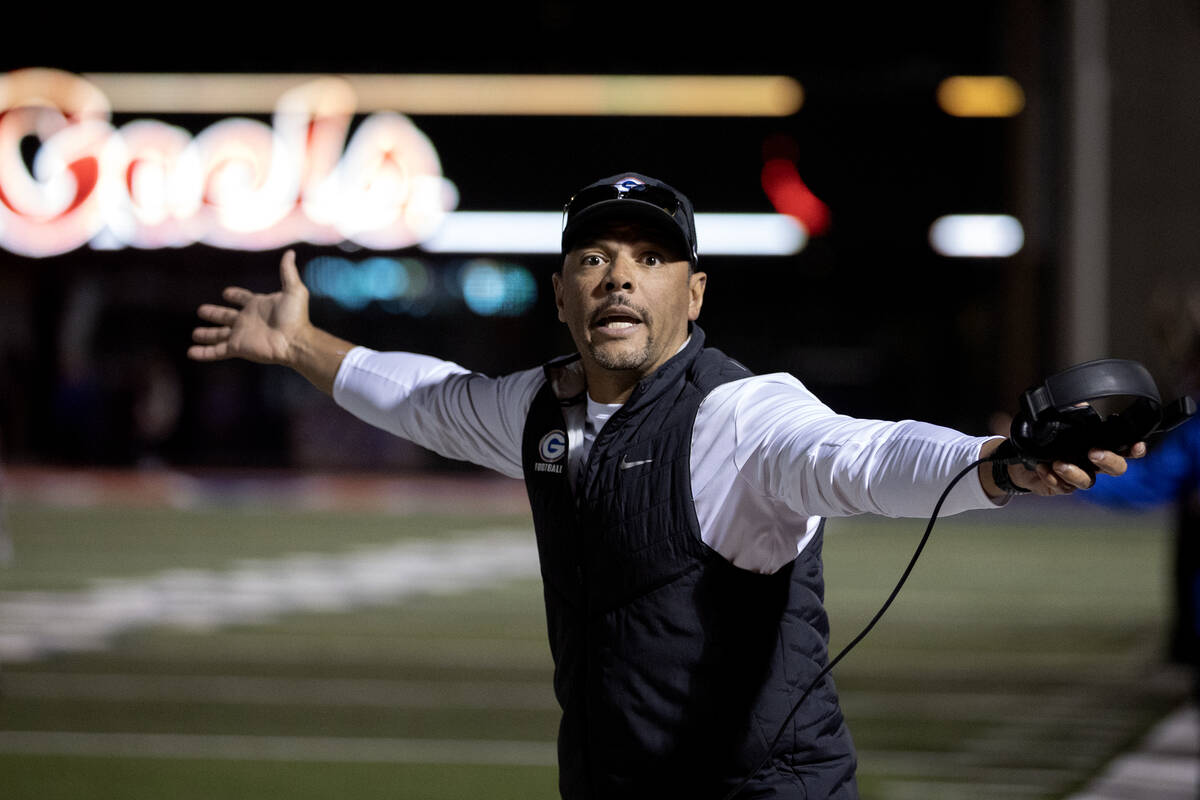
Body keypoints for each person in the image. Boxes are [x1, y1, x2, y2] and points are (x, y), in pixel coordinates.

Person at [188, 173, 1140, 799]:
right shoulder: (537, 410)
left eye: (651, 259)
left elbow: (864, 456)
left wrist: (996, 463)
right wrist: (300, 342)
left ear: (694, 293)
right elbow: (426, 398)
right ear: (560, 292)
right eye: (595, 258)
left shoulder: (742, 414)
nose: (618, 279)